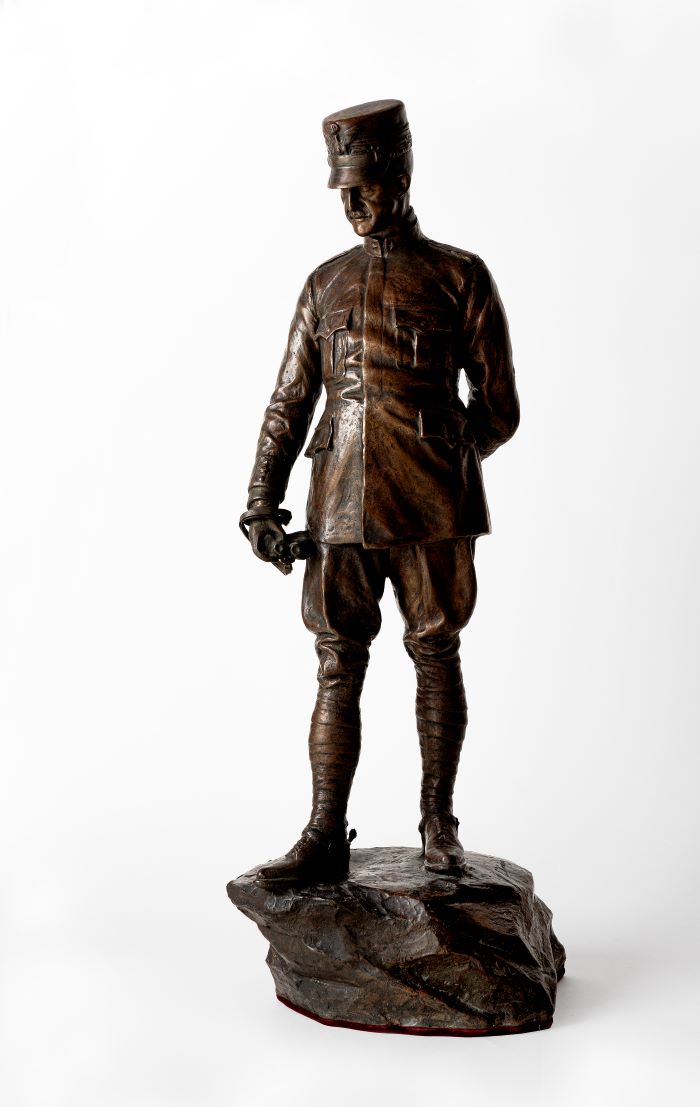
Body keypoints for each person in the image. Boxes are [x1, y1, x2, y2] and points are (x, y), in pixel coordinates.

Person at [240, 100, 519, 887]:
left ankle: (438, 822)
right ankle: (324, 831)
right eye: (343, 190)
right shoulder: (324, 284)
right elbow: (290, 401)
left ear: (400, 176)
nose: (353, 203)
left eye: (364, 185)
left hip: (433, 507)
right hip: (339, 505)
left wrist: (444, 457)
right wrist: (260, 502)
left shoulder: (460, 275)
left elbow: (499, 408)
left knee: (436, 652)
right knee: (338, 662)